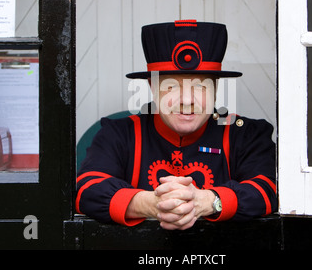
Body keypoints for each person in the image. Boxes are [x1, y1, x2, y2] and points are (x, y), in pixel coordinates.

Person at [76, 19, 277, 230]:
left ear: (216, 88)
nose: (187, 100)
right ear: (152, 86)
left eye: (200, 86)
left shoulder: (245, 135)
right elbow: (86, 189)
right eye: (172, 86)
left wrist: (209, 201)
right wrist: (151, 204)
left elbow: (268, 189)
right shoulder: (118, 134)